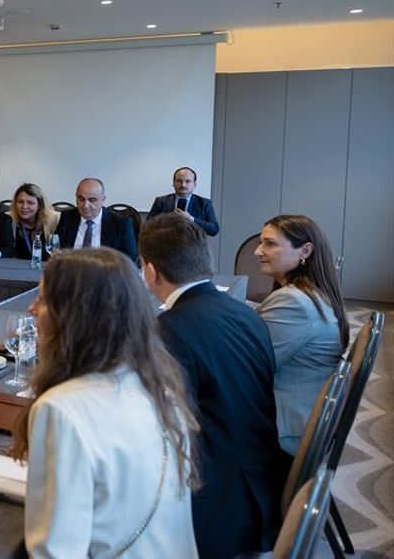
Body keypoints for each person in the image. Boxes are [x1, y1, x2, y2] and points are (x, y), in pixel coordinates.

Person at [9, 248, 200, 558]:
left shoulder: (61, 410)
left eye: (43, 299)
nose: (32, 309)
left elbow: (55, 551)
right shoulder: (160, 390)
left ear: (73, 316)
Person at [140, 214, 288, 558]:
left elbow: (158, 431)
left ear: (150, 272)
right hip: (264, 483)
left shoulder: (168, 330)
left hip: (216, 507)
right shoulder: (246, 313)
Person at [254, 214, 348, 455]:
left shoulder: (294, 302)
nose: (258, 251)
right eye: (261, 243)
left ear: (305, 251)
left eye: (269, 243)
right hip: (303, 414)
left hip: (285, 433)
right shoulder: (310, 294)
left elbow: (249, 366)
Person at [55, 178, 138, 262]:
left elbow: (130, 260)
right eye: (81, 199)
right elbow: (54, 250)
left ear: (103, 199)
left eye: (92, 200)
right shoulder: (67, 217)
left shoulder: (121, 223)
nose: (85, 206)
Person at [146, 167, 219, 236]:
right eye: (179, 181)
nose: (183, 185)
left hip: (194, 244)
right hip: (165, 242)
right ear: (173, 183)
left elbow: (214, 229)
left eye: (187, 181)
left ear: (194, 184)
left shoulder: (204, 203)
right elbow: (148, 225)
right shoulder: (161, 201)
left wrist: (190, 218)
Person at [9, 183, 59, 262]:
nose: (24, 207)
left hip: (46, 266)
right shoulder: (8, 219)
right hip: (16, 267)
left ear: (39, 205)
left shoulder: (54, 219)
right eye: (20, 202)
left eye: (30, 203)